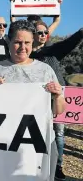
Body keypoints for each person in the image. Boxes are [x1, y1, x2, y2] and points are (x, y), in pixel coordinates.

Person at [0, 20, 66, 181]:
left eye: (27, 42)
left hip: (38, 146)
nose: (22, 47)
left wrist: (58, 96)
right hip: (3, 144)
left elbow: (59, 111)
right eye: (17, 42)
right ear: (8, 41)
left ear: (33, 42)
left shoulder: (46, 71)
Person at [31, 22, 83, 180]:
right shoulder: (25, 56)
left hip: (56, 100)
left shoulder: (52, 52)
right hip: (36, 102)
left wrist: (81, 32)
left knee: (59, 134)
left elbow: (69, 43)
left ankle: (58, 166)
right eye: (39, 32)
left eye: (45, 32)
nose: (43, 35)